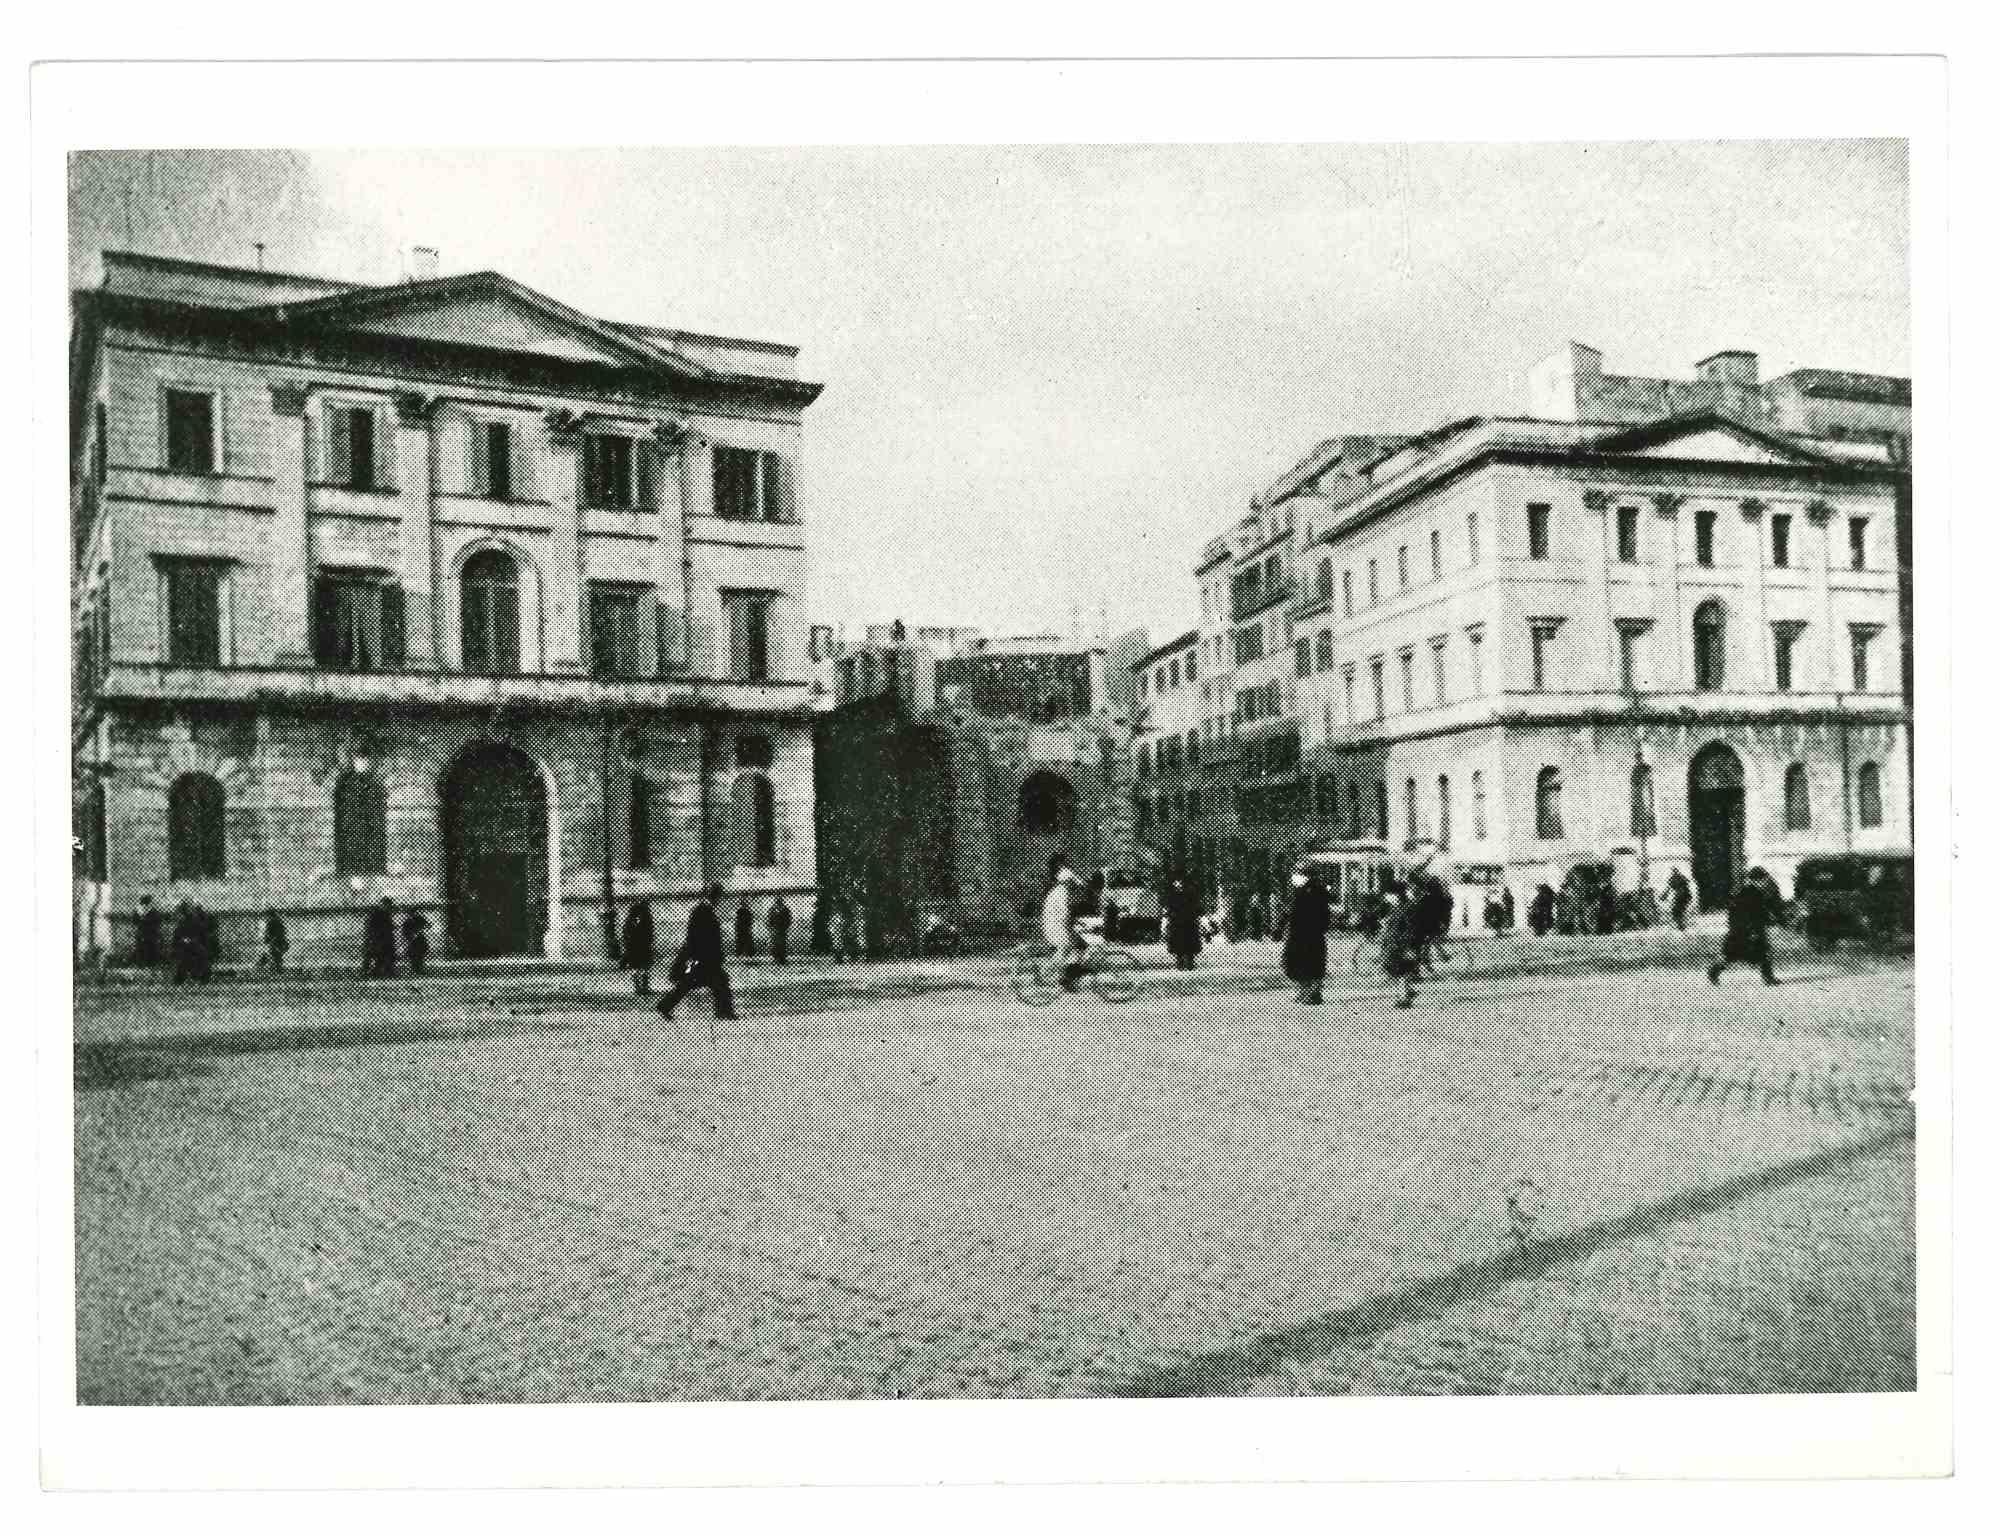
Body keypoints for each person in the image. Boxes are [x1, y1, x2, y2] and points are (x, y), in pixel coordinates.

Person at [657, 884, 737, 1021]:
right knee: (716, 982)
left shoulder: (706, 910)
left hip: (707, 957)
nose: (719, 899)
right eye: (717, 896)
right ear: (712, 896)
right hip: (704, 956)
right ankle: (724, 1011)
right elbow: (695, 935)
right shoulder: (701, 910)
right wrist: (696, 955)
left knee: (695, 983)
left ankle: (665, 1006)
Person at [1708, 867, 1781, 986]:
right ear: (1757, 880)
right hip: (1747, 931)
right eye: (1763, 880)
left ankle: (1768, 978)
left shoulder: (1750, 892)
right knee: (1735, 955)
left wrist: (1768, 920)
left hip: (1743, 930)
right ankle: (1714, 971)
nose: (1765, 882)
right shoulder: (1751, 894)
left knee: (1759, 952)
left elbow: (1758, 912)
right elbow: (1749, 914)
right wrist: (1752, 930)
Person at [1277, 861, 1331, 1005]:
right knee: (1301, 964)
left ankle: (1312, 994)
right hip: (1302, 934)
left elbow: (1294, 912)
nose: (1295, 877)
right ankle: (1305, 992)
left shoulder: (1313, 892)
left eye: (1299, 873)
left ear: (1306, 876)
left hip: (1307, 934)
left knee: (1309, 964)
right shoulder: (1302, 891)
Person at [1041, 854, 1088, 992]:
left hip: (1055, 925)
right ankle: (1062, 977)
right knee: (1070, 948)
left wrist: (1074, 923)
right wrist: (1072, 924)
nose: (1073, 887)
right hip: (1056, 928)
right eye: (1071, 884)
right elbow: (1064, 913)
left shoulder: (1056, 891)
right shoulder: (1062, 893)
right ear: (1067, 882)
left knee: (1079, 946)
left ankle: (1069, 975)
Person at [1379, 880, 1422, 1008]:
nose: (1386, 897)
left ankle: (1404, 998)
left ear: (1395, 895)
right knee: (1399, 970)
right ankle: (1406, 993)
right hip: (1395, 943)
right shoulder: (1399, 907)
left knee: (1401, 970)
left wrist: (1409, 946)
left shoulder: (1405, 908)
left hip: (1400, 944)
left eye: (1388, 894)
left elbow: (1410, 928)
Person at [1164, 874, 1204, 971]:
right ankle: (1180, 961)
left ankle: (1189, 962)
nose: (1177, 884)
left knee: (1189, 943)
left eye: (1179, 882)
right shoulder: (1173, 895)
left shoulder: (1190, 892)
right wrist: (1169, 915)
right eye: (1176, 882)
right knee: (1179, 943)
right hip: (1178, 922)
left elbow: (1196, 905)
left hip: (1188, 921)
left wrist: (1198, 914)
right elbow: (1169, 907)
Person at [364, 896, 398, 978]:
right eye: (388, 905)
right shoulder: (376, 914)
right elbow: (370, 927)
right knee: (374, 955)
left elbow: (389, 927)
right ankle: (370, 972)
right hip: (377, 939)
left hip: (385, 940)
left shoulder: (387, 914)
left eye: (390, 905)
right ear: (383, 904)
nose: (390, 907)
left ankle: (383, 971)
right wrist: (373, 938)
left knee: (386, 956)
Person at [169, 899, 201, 984]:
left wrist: (189, 940)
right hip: (183, 946)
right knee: (182, 956)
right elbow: (177, 936)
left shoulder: (192, 921)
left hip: (192, 946)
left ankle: (189, 976)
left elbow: (198, 933)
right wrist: (182, 940)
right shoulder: (182, 922)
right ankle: (182, 977)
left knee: (188, 956)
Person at [133, 895, 164, 970]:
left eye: (146, 904)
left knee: (151, 952)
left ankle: (150, 966)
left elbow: (157, 922)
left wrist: (142, 918)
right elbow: (135, 921)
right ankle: (143, 966)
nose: (144, 906)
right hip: (143, 935)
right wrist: (139, 915)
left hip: (151, 935)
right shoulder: (140, 912)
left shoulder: (154, 912)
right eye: (143, 904)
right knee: (142, 951)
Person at [401, 908, 431, 975]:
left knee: (420, 955)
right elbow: (404, 931)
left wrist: (422, 929)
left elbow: (428, 925)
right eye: (411, 913)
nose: (412, 915)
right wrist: (409, 937)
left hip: (420, 940)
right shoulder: (408, 921)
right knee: (414, 955)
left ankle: (419, 969)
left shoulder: (419, 919)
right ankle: (416, 969)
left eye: (414, 913)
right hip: (412, 940)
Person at [767, 895, 793, 965]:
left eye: (780, 901)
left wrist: (786, 927)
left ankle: (782, 958)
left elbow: (788, 919)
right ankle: (776, 958)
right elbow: (769, 919)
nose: (778, 902)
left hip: (782, 930)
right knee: (774, 944)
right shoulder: (772, 909)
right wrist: (771, 927)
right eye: (777, 901)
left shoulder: (785, 909)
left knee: (782, 944)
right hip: (775, 929)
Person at [261, 908, 289, 973]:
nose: (265, 918)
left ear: (269, 915)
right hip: (280, 942)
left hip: (276, 942)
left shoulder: (271, 922)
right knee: (276, 956)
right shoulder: (279, 921)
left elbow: (268, 933)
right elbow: (283, 932)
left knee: (274, 955)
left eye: (266, 916)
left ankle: (276, 969)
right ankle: (277, 968)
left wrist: (268, 941)